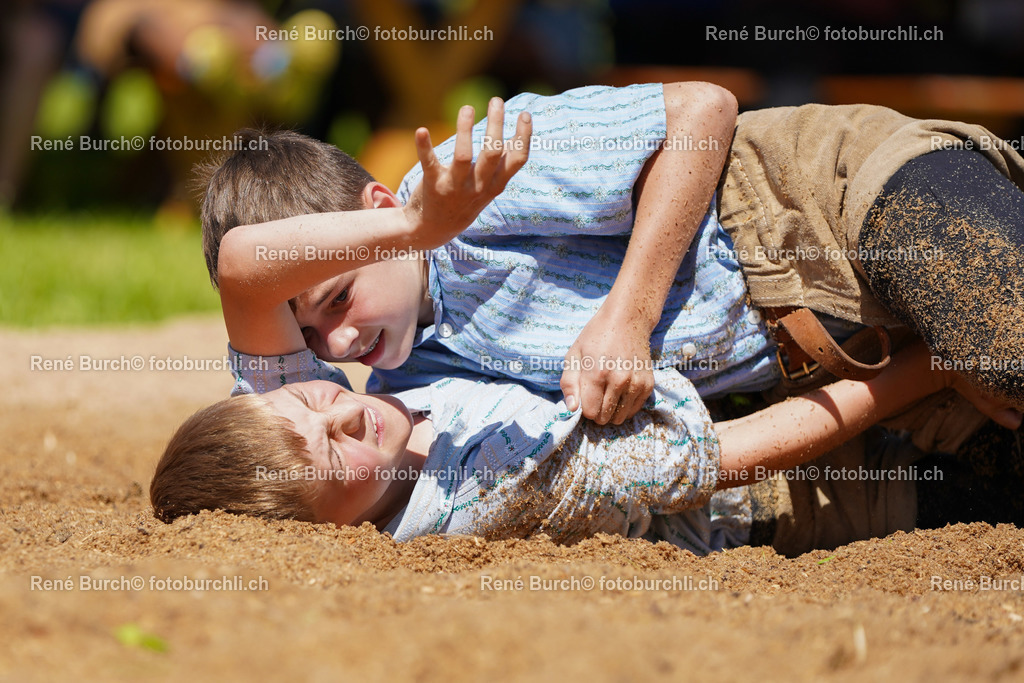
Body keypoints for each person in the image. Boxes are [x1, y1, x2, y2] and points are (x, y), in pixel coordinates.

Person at [201, 82, 767, 426]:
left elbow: (701, 111)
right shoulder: (408, 392)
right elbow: (246, 276)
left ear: (379, 211)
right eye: (311, 339)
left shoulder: (481, 177)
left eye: (340, 297)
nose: (340, 343)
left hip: (797, 205)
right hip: (811, 361)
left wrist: (628, 318)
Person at [150, 335, 1002, 557]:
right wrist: (924, 370)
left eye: (309, 397)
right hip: (826, 484)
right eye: (326, 456)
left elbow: (243, 264)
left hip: (747, 380)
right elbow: (730, 453)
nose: (341, 417)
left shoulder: (377, 411)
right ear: (327, 536)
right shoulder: (495, 487)